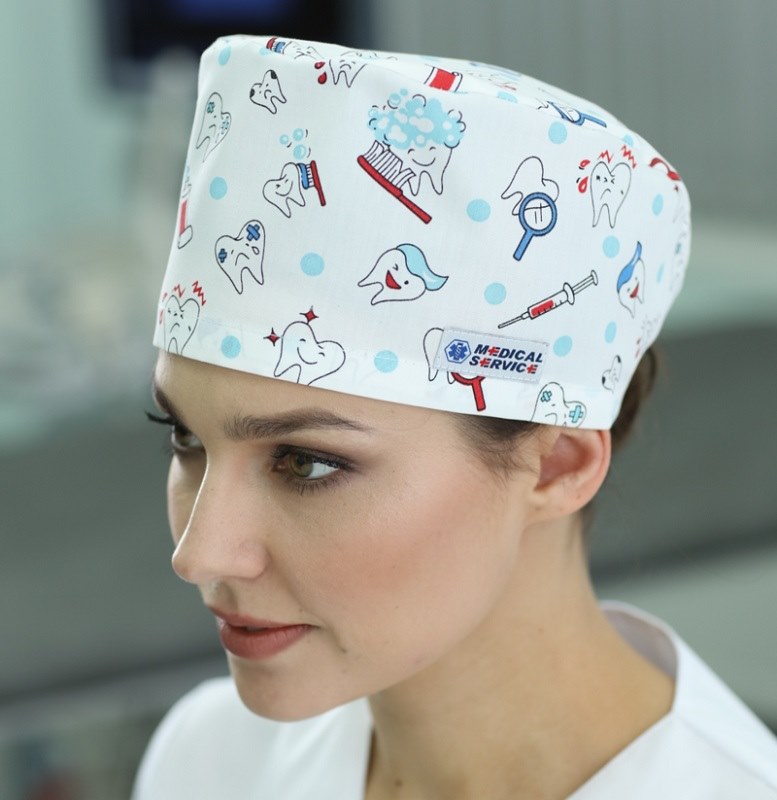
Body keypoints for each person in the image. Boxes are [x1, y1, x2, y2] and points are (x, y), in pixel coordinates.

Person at [133, 35, 777, 799]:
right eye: (186, 437)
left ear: (555, 465)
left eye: (305, 462)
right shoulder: (210, 759)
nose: (199, 555)